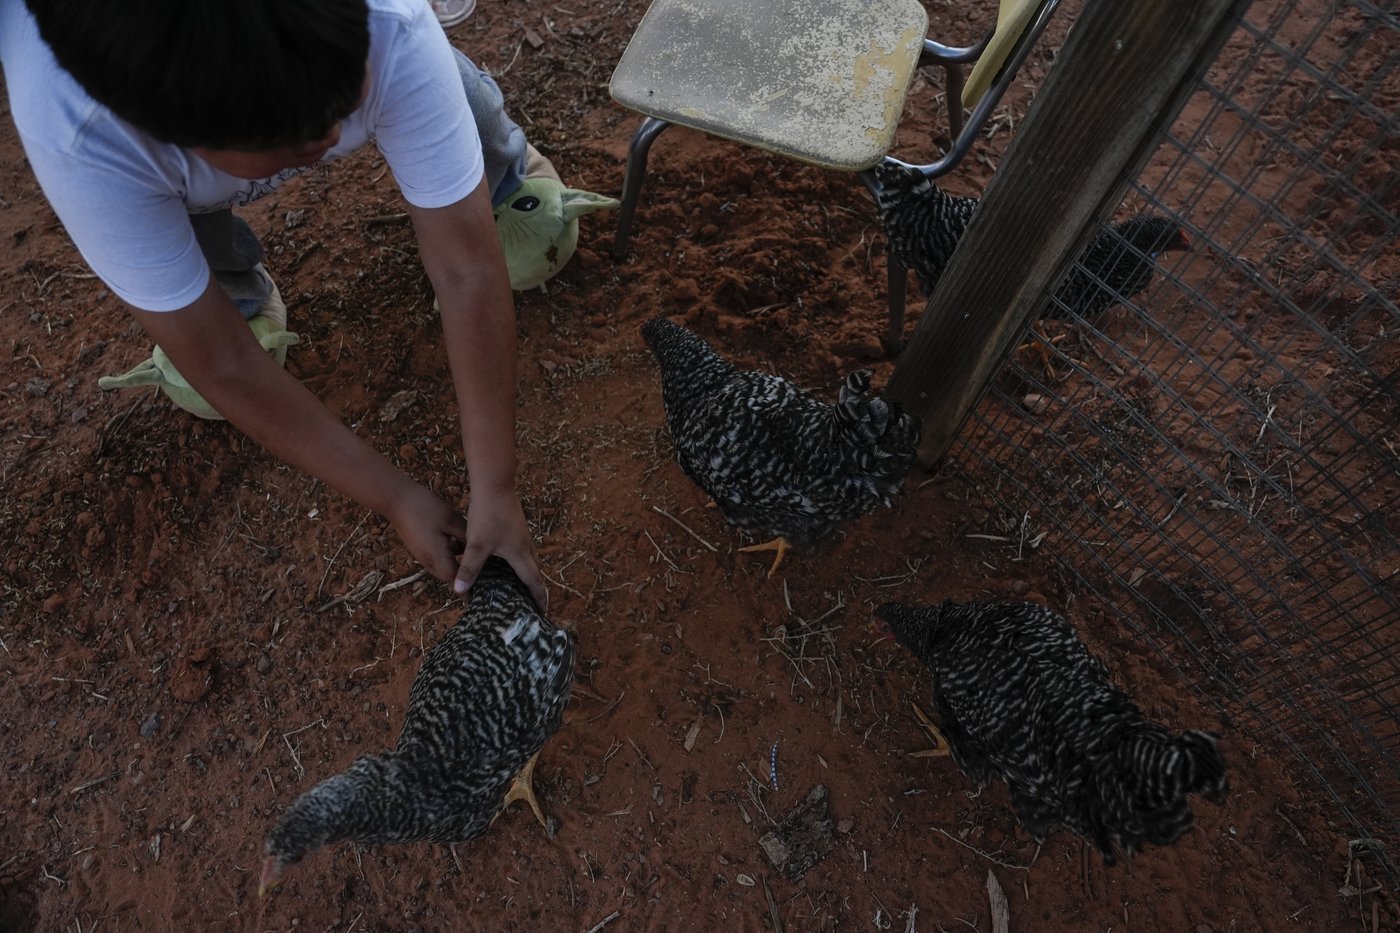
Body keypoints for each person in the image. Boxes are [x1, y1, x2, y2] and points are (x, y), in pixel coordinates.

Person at [0, 0, 548, 608]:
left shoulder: (388, 21)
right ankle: (224, 277)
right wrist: (395, 497)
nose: (333, 138)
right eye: (292, 141)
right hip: (152, 159)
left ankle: (503, 175)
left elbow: (466, 269)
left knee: (436, 80)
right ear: (175, 135)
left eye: (344, 99)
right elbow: (223, 362)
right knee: (197, 302)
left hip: (376, 49)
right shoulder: (84, 139)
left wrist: (495, 485)